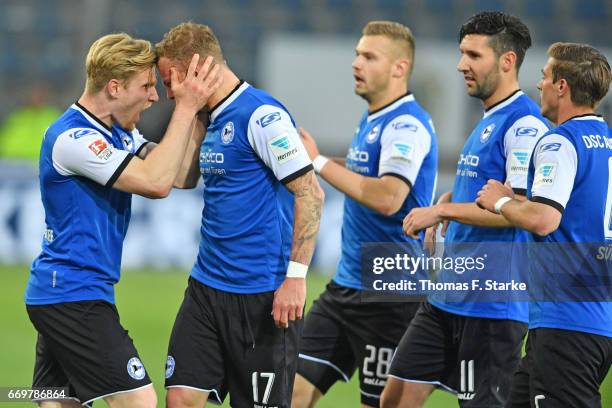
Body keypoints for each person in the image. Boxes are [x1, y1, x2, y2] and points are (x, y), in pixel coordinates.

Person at [25, 33, 221, 408]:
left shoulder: (119, 133)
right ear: (114, 87)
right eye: (146, 86)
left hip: (67, 293)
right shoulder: (74, 138)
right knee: (139, 402)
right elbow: (156, 182)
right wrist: (182, 110)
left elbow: (181, 175)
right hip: (72, 295)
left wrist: (194, 112)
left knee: (58, 402)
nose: (153, 96)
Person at [381, 12, 550, 408]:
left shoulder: (524, 125)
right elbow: (481, 190)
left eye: (473, 55)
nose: (461, 65)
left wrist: (442, 214)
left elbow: (517, 208)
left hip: (491, 305)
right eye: (462, 53)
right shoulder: (489, 118)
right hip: (447, 296)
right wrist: (446, 203)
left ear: (507, 61)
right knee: (395, 396)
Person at [155, 22, 324, 408]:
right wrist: (189, 113)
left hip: (261, 296)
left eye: (170, 81)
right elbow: (180, 178)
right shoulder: (209, 118)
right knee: (180, 399)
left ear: (194, 69)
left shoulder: (262, 116)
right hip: (206, 289)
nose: (168, 93)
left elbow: (311, 193)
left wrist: (295, 279)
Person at [291, 21, 438, 408]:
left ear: (399, 68)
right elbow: (364, 172)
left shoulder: (406, 124)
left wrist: (318, 162)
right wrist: (313, 161)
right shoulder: (376, 117)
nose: (356, 63)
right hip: (345, 288)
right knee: (290, 393)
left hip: (390, 297)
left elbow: (389, 196)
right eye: (357, 54)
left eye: (369, 56)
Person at [476, 42, 611, 408]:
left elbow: (544, 220)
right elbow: (571, 214)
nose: (540, 85)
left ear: (562, 86)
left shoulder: (561, 142)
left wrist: (500, 202)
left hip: (567, 321)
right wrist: (517, 199)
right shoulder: (607, 143)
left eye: (545, 76)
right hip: (591, 318)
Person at [0, 83, 62, 161]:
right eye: (34, 95)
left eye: (40, 95)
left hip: (42, 164)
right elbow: (5, 142)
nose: (36, 98)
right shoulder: (17, 117)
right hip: (13, 163)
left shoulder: (54, 117)